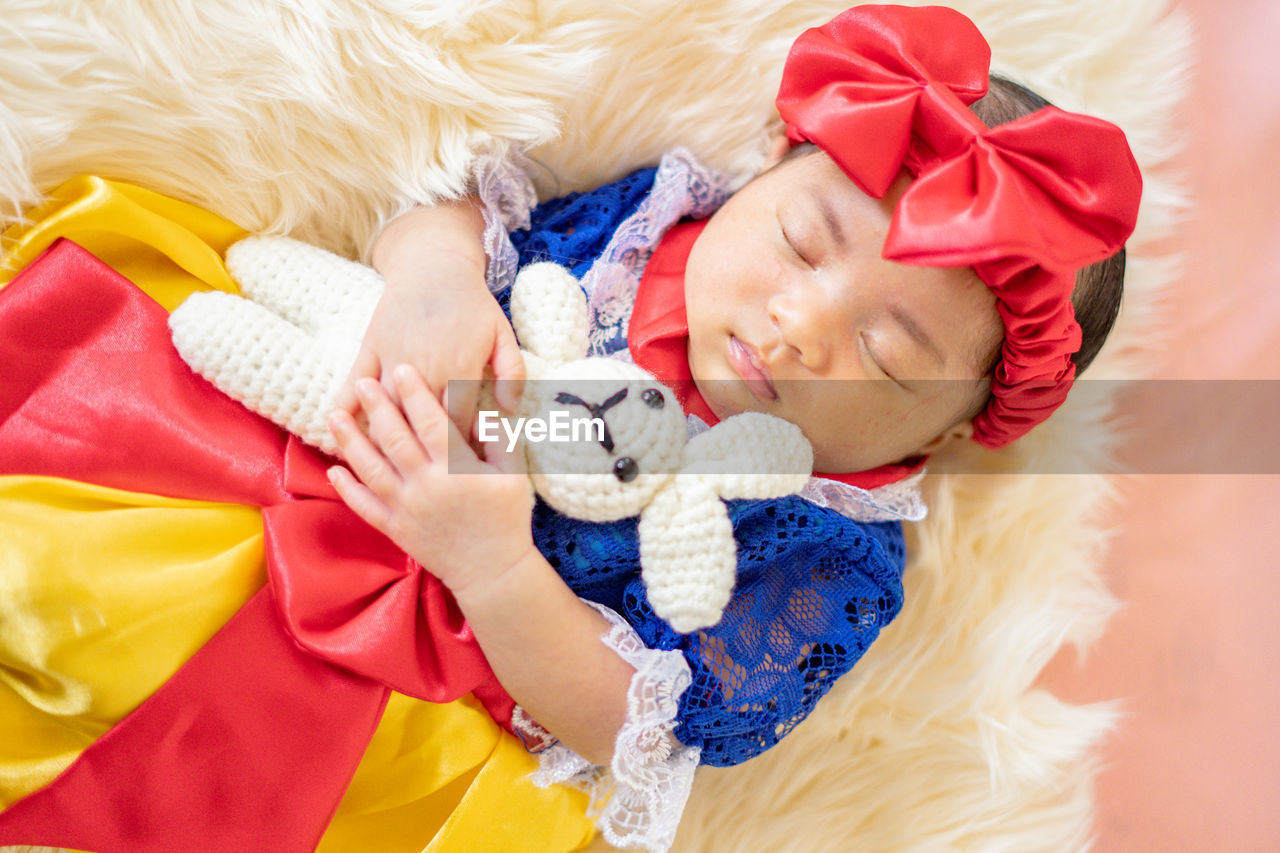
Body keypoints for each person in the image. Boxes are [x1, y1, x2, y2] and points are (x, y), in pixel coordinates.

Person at [0, 5, 1140, 853]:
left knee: (201, 769)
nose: (797, 326)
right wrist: (439, 281)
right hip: (312, 445)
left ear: (942, 432)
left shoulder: (832, 556)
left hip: (424, 698)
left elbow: (641, 727)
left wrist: (491, 563)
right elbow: (456, 205)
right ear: (766, 176)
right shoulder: (652, 227)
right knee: (70, 523)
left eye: (887, 355)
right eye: (798, 244)